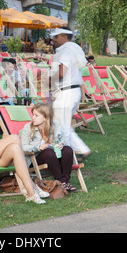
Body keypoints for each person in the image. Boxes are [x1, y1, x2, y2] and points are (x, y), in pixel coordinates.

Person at [48, 27, 90, 159]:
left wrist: (46, 78)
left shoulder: (66, 52)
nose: (53, 40)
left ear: (63, 37)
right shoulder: (73, 49)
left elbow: (61, 73)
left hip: (67, 92)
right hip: (71, 91)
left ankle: (64, 156)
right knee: (62, 124)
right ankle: (81, 150)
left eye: (56, 37)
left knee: (61, 127)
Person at [19, 103, 76, 192]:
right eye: (33, 115)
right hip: (36, 159)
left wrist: (61, 144)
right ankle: (62, 181)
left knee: (68, 150)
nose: (33, 117)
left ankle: (66, 182)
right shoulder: (28, 127)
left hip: (55, 158)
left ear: (45, 117)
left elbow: (65, 141)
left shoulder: (56, 126)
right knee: (48, 152)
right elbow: (23, 147)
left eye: (36, 115)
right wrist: (38, 147)